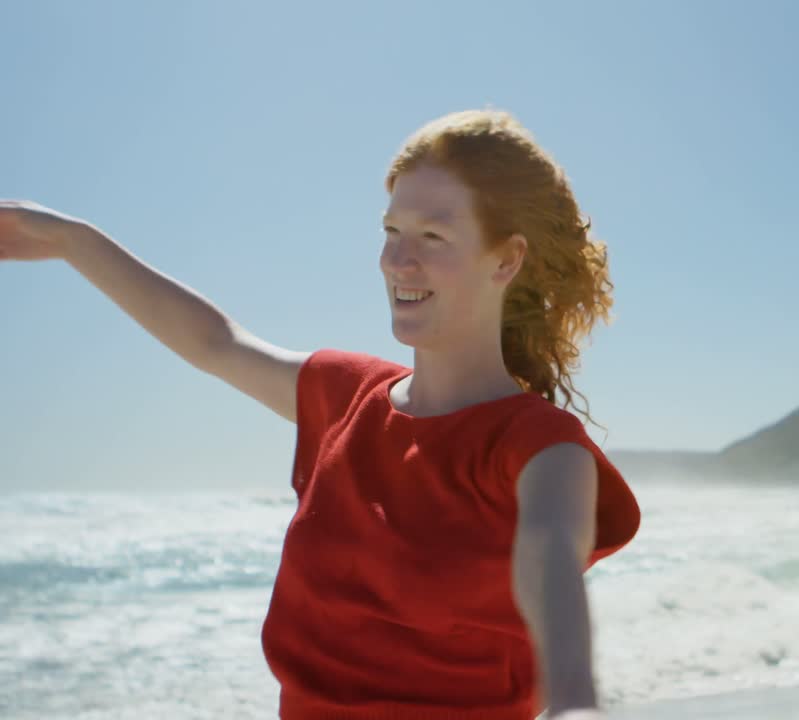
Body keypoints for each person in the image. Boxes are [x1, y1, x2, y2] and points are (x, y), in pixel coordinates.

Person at [0, 109, 642, 720]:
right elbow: (215, 342)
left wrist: (574, 698)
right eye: (391, 232)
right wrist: (69, 240)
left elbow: (548, 558)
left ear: (505, 259)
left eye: (433, 236)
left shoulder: (540, 445)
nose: (398, 260)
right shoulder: (346, 397)